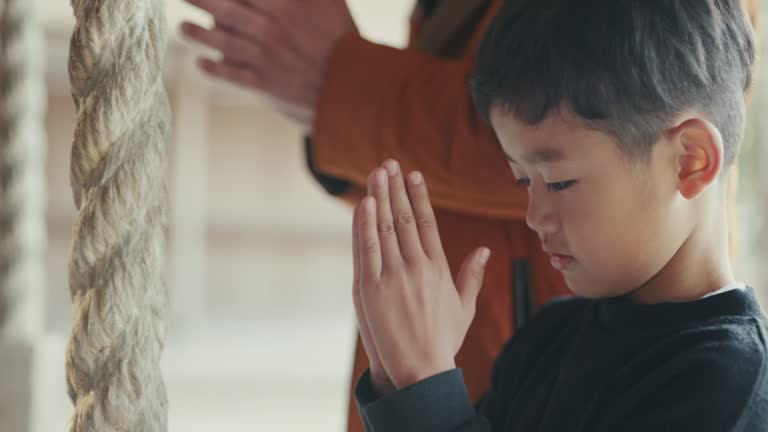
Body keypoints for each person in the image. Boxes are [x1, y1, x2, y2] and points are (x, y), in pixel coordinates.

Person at [349, 0, 768, 431]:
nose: (534, 216)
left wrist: (426, 385)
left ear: (689, 161)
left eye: (559, 182)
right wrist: (397, 375)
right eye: (523, 181)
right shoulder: (545, 339)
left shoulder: (724, 386)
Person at [180, 3, 571, 432]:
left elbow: (566, 139)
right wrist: (331, 111)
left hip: (515, 380)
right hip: (427, 377)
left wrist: (341, 83)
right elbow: (457, 188)